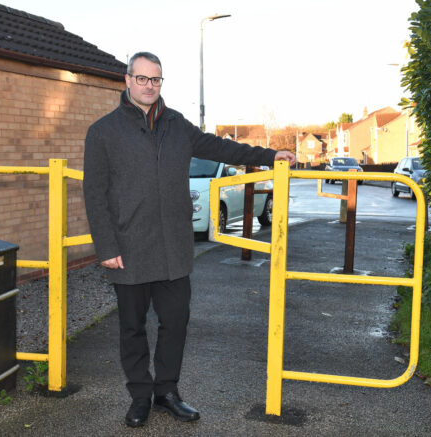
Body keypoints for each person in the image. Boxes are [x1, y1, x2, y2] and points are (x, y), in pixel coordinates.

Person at [83, 52, 295, 428]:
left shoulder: (177, 125)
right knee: (132, 328)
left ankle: (166, 392)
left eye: (156, 80)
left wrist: (269, 154)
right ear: (127, 80)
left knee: (175, 323)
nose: (149, 86)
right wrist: (107, 247)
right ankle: (140, 396)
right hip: (128, 249)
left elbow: (222, 147)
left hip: (173, 249)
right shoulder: (103, 131)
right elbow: (95, 194)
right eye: (143, 78)